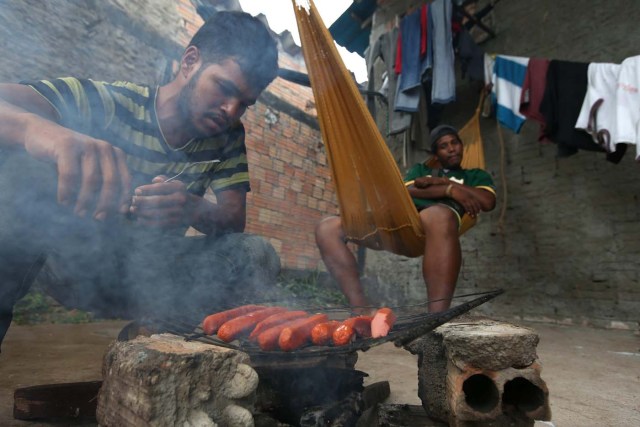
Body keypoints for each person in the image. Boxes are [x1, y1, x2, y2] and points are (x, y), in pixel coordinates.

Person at [0, 11, 281, 351]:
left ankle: (181, 355)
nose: (230, 111)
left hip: (149, 277)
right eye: (224, 88)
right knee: (21, 169)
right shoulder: (111, 103)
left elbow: (234, 220)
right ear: (190, 61)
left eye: (244, 104)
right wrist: (42, 132)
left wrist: (190, 208)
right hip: (74, 264)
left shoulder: (228, 137)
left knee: (255, 253)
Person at [315, 125, 496, 313]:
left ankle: (436, 319)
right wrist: (449, 191)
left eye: (454, 143)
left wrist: (447, 183)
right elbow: (407, 192)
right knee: (327, 228)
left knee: (439, 215)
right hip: (400, 219)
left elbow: (488, 201)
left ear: (461, 145)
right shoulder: (421, 170)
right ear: (435, 154)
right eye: (443, 146)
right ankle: (360, 310)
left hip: (434, 225)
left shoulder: (475, 176)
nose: (451, 149)